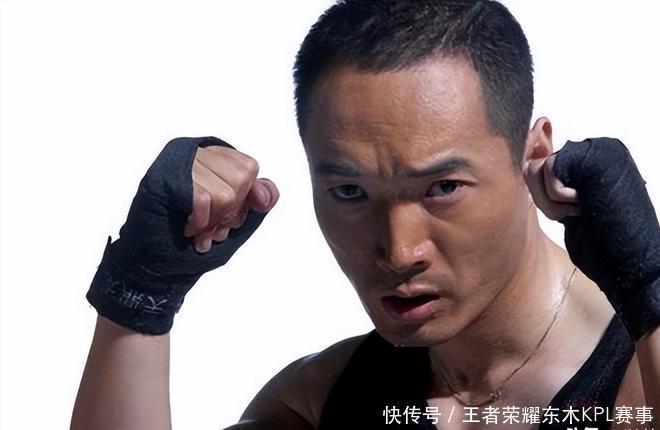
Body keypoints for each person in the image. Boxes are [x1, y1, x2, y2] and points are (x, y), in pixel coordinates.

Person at [70, 1, 659, 429]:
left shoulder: (633, 375)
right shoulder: (324, 399)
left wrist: (652, 294)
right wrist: (140, 297)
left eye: (443, 187)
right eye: (350, 191)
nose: (399, 251)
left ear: (532, 156)